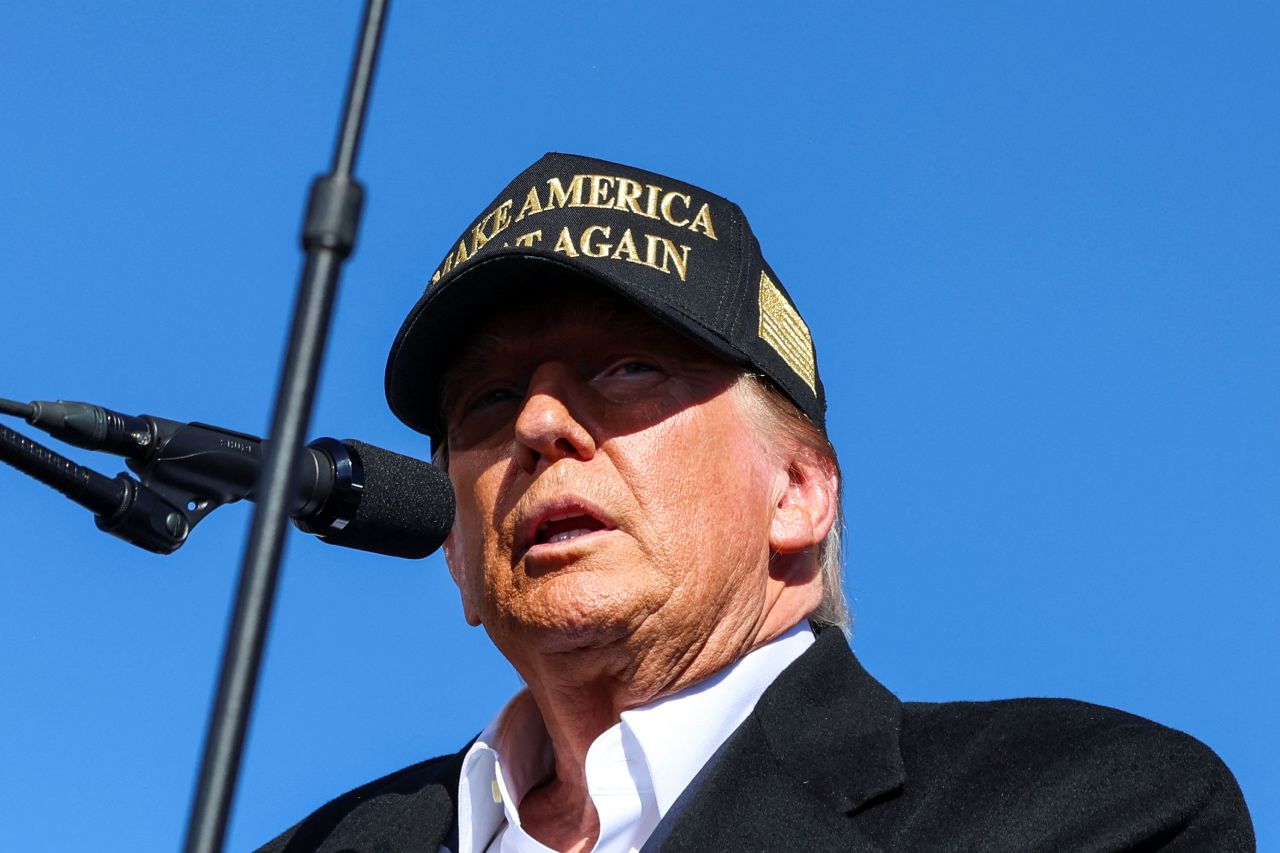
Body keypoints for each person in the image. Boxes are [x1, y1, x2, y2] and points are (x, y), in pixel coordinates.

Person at [257, 153, 1254, 852]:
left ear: (797, 493)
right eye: (487, 399)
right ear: (456, 555)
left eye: (629, 367)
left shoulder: (1095, 806)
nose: (539, 424)